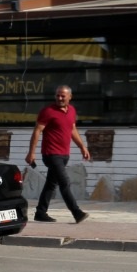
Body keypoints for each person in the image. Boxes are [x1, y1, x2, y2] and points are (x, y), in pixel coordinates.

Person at [25, 84, 91, 223]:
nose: (60, 98)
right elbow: (37, 131)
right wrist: (31, 153)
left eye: (63, 96)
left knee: (51, 184)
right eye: (57, 95)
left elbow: (72, 130)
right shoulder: (48, 111)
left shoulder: (71, 111)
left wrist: (82, 147)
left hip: (64, 154)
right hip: (51, 154)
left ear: (70, 97)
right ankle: (76, 212)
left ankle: (40, 213)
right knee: (64, 182)